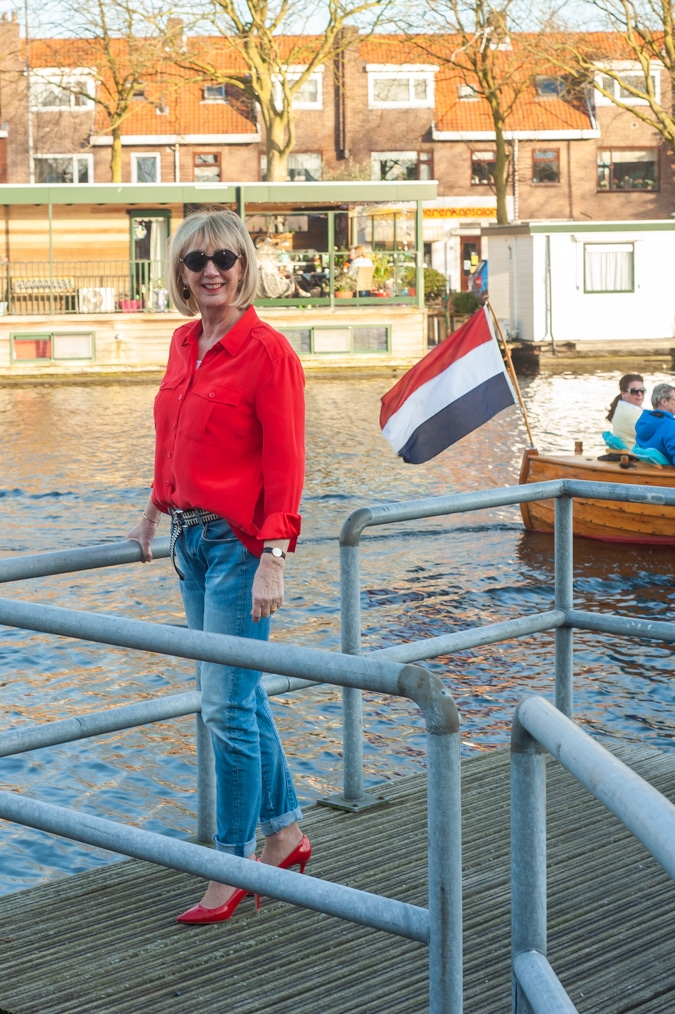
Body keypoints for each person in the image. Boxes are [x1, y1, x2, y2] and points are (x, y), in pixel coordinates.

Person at [127, 208, 310, 925]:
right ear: (179, 271)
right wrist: (151, 510)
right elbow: (173, 436)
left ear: (244, 268)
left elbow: (285, 462)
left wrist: (274, 556)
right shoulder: (183, 343)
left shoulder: (267, 352)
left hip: (239, 548)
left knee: (225, 708)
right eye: (196, 260)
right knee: (239, 698)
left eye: (225, 259)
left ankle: (229, 863)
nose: (210, 271)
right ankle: (286, 832)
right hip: (188, 544)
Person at [634, 382, 675, 464]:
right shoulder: (670, 426)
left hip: (647, 471)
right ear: (664, 402)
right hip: (667, 475)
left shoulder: (642, 422)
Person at [605, 373, 646, 447]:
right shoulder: (629, 414)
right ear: (623, 393)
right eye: (634, 391)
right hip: (635, 455)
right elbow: (651, 436)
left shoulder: (622, 408)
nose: (639, 394)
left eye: (642, 390)